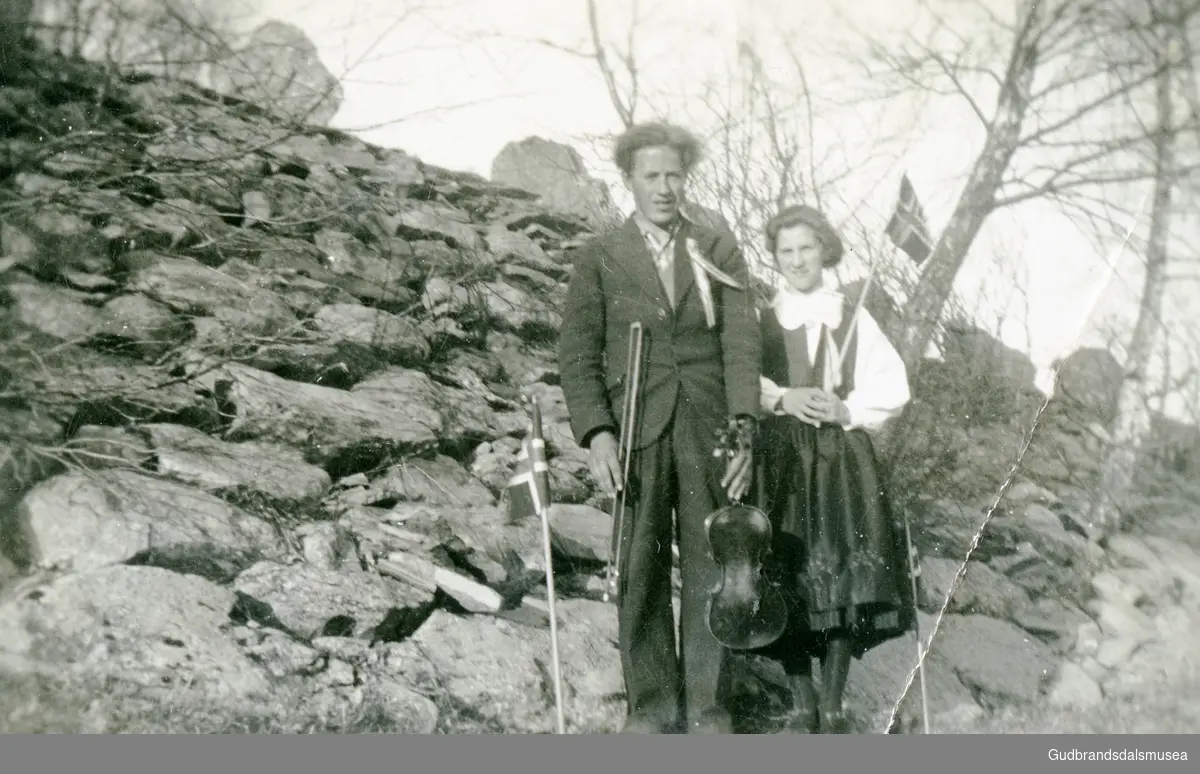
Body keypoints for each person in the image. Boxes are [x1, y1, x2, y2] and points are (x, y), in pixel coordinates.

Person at [557, 122, 760, 734]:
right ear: (630, 180)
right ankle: (651, 709)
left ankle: (708, 709)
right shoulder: (599, 256)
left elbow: (742, 341)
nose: (665, 187)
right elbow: (577, 352)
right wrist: (597, 433)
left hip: (708, 426)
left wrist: (744, 426)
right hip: (636, 427)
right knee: (638, 568)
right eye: (652, 176)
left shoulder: (717, 246)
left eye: (675, 174)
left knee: (712, 566)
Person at [751, 203, 916, 734]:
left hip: (840, 461)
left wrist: (847, 409)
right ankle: (801, 702)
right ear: (774, 258)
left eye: (806, 248)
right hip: (780, 458)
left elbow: (893, 384)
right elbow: (740, 382)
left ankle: (834, 704)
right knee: (787, 570)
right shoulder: (761, 319)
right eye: (786, 251)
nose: (797, 260)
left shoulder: (853, 315)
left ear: (825, 251)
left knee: (843, 571)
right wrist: (782, 400)